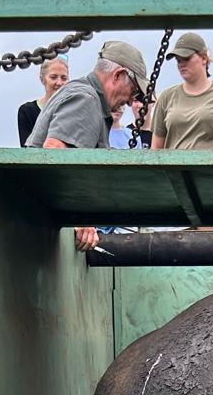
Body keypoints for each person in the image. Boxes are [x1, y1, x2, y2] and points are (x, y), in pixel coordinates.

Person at [26, 40, 149, 251]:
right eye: (134, 90)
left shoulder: (81, 93)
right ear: (118, 75)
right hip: (43, 231)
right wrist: (77, 218)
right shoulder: (87, 99)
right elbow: (53, 154)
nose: (131, 101)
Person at [151, 32, 213, 151]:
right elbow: (156, 148)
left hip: (212, 168)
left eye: (186, 58)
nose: (181, 64)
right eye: (178, 60)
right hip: (175, 168)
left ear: (204, 58)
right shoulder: (166, 97)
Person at [17, 55, 69, 147]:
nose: (59, 83)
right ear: (42, 79)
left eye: (64, 78)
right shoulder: (27, 111)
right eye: (53, 77)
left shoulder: (76, 110)